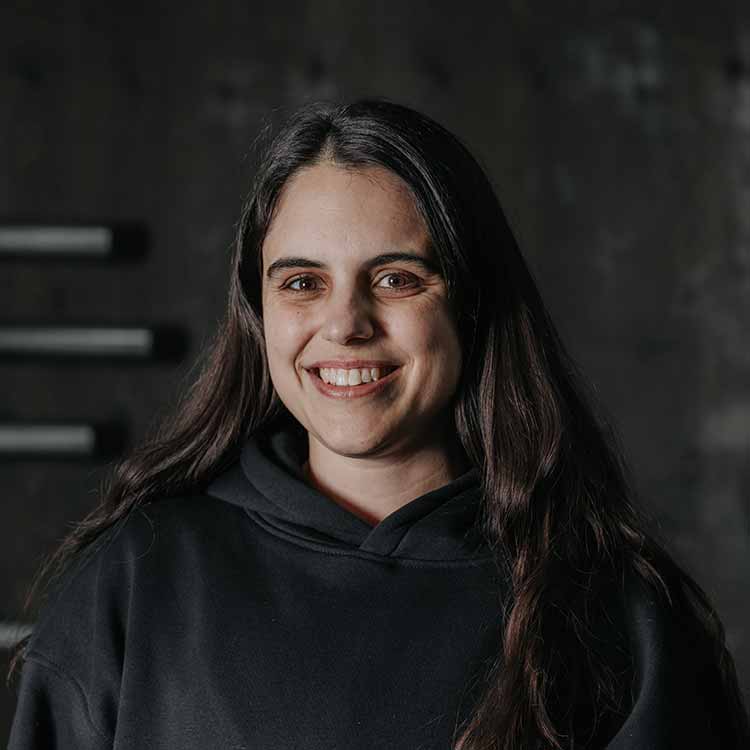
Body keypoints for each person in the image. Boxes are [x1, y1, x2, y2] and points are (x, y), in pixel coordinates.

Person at [7, 99, 749, 750]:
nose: (345, 324)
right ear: (258, 315)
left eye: (396, 279)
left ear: (471, 304)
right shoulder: (137, 583)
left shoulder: (612, 611)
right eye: (303, 282)